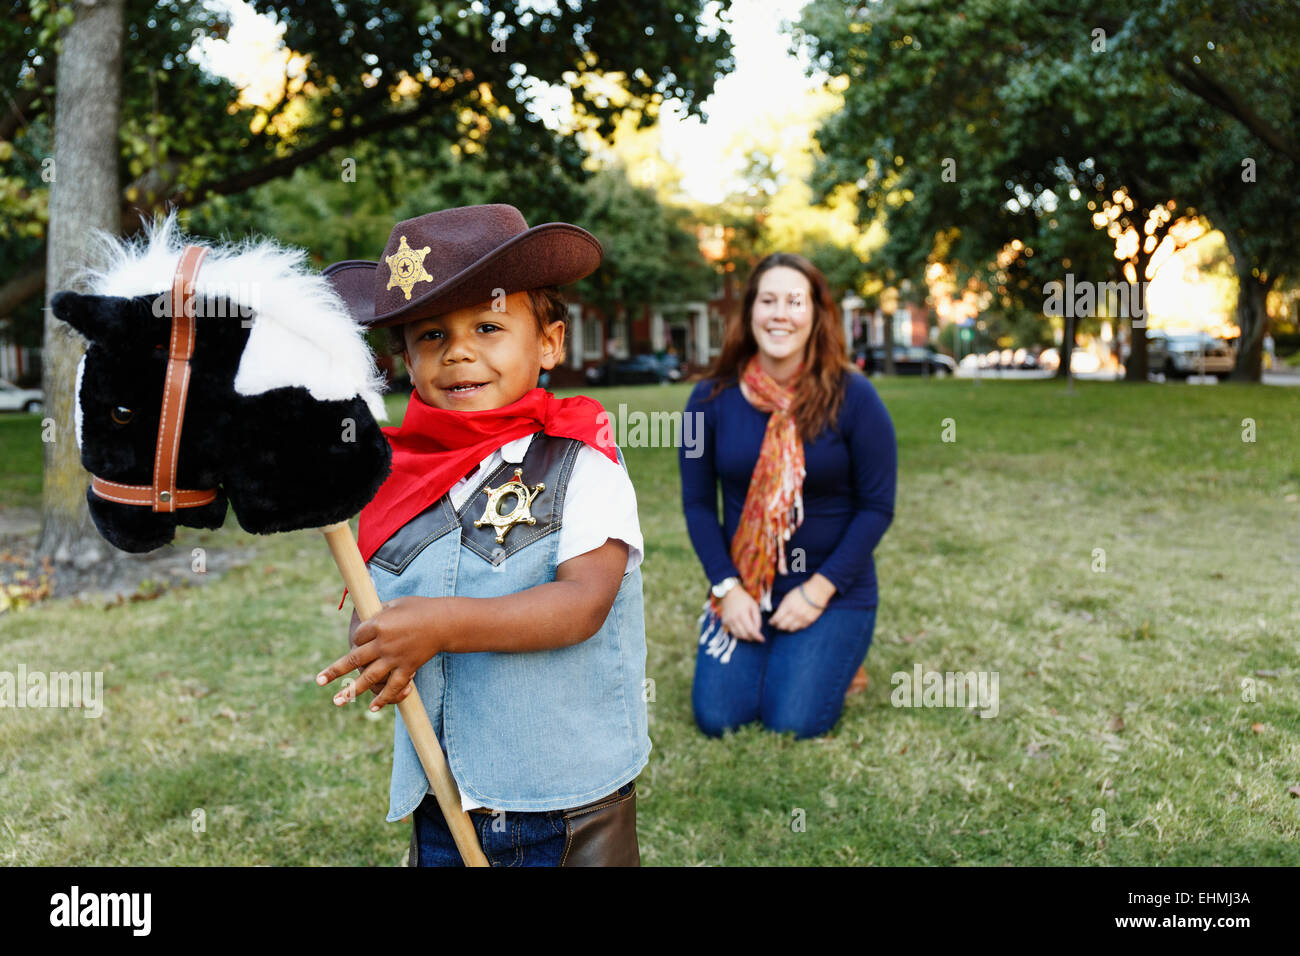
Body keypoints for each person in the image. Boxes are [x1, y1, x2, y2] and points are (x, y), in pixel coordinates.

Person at [316, 204, 649, 866]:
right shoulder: (394, 473)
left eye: (489, 326)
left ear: (549, 342)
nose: (460, 351)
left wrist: (439, 626)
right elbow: (383, 604)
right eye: (432, 335)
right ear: (406, 357)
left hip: (560, 805)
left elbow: (582, 604)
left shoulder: (581, 459)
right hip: (446, 791)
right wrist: (382, 638)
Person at [679, 252, 897, 739]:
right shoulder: (707, 401)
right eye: (768, 300)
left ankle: (835, 657)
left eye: (795, 301)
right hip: (748, 586)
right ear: (750, 312)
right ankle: (784, 653)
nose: (780, 313)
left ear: (817, 314)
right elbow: (697, 505)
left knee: (792, 722)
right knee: (719, 718)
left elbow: (877, 507)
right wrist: (727, 589)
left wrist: (818, 591)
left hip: (832, 590)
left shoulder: (854, 397)